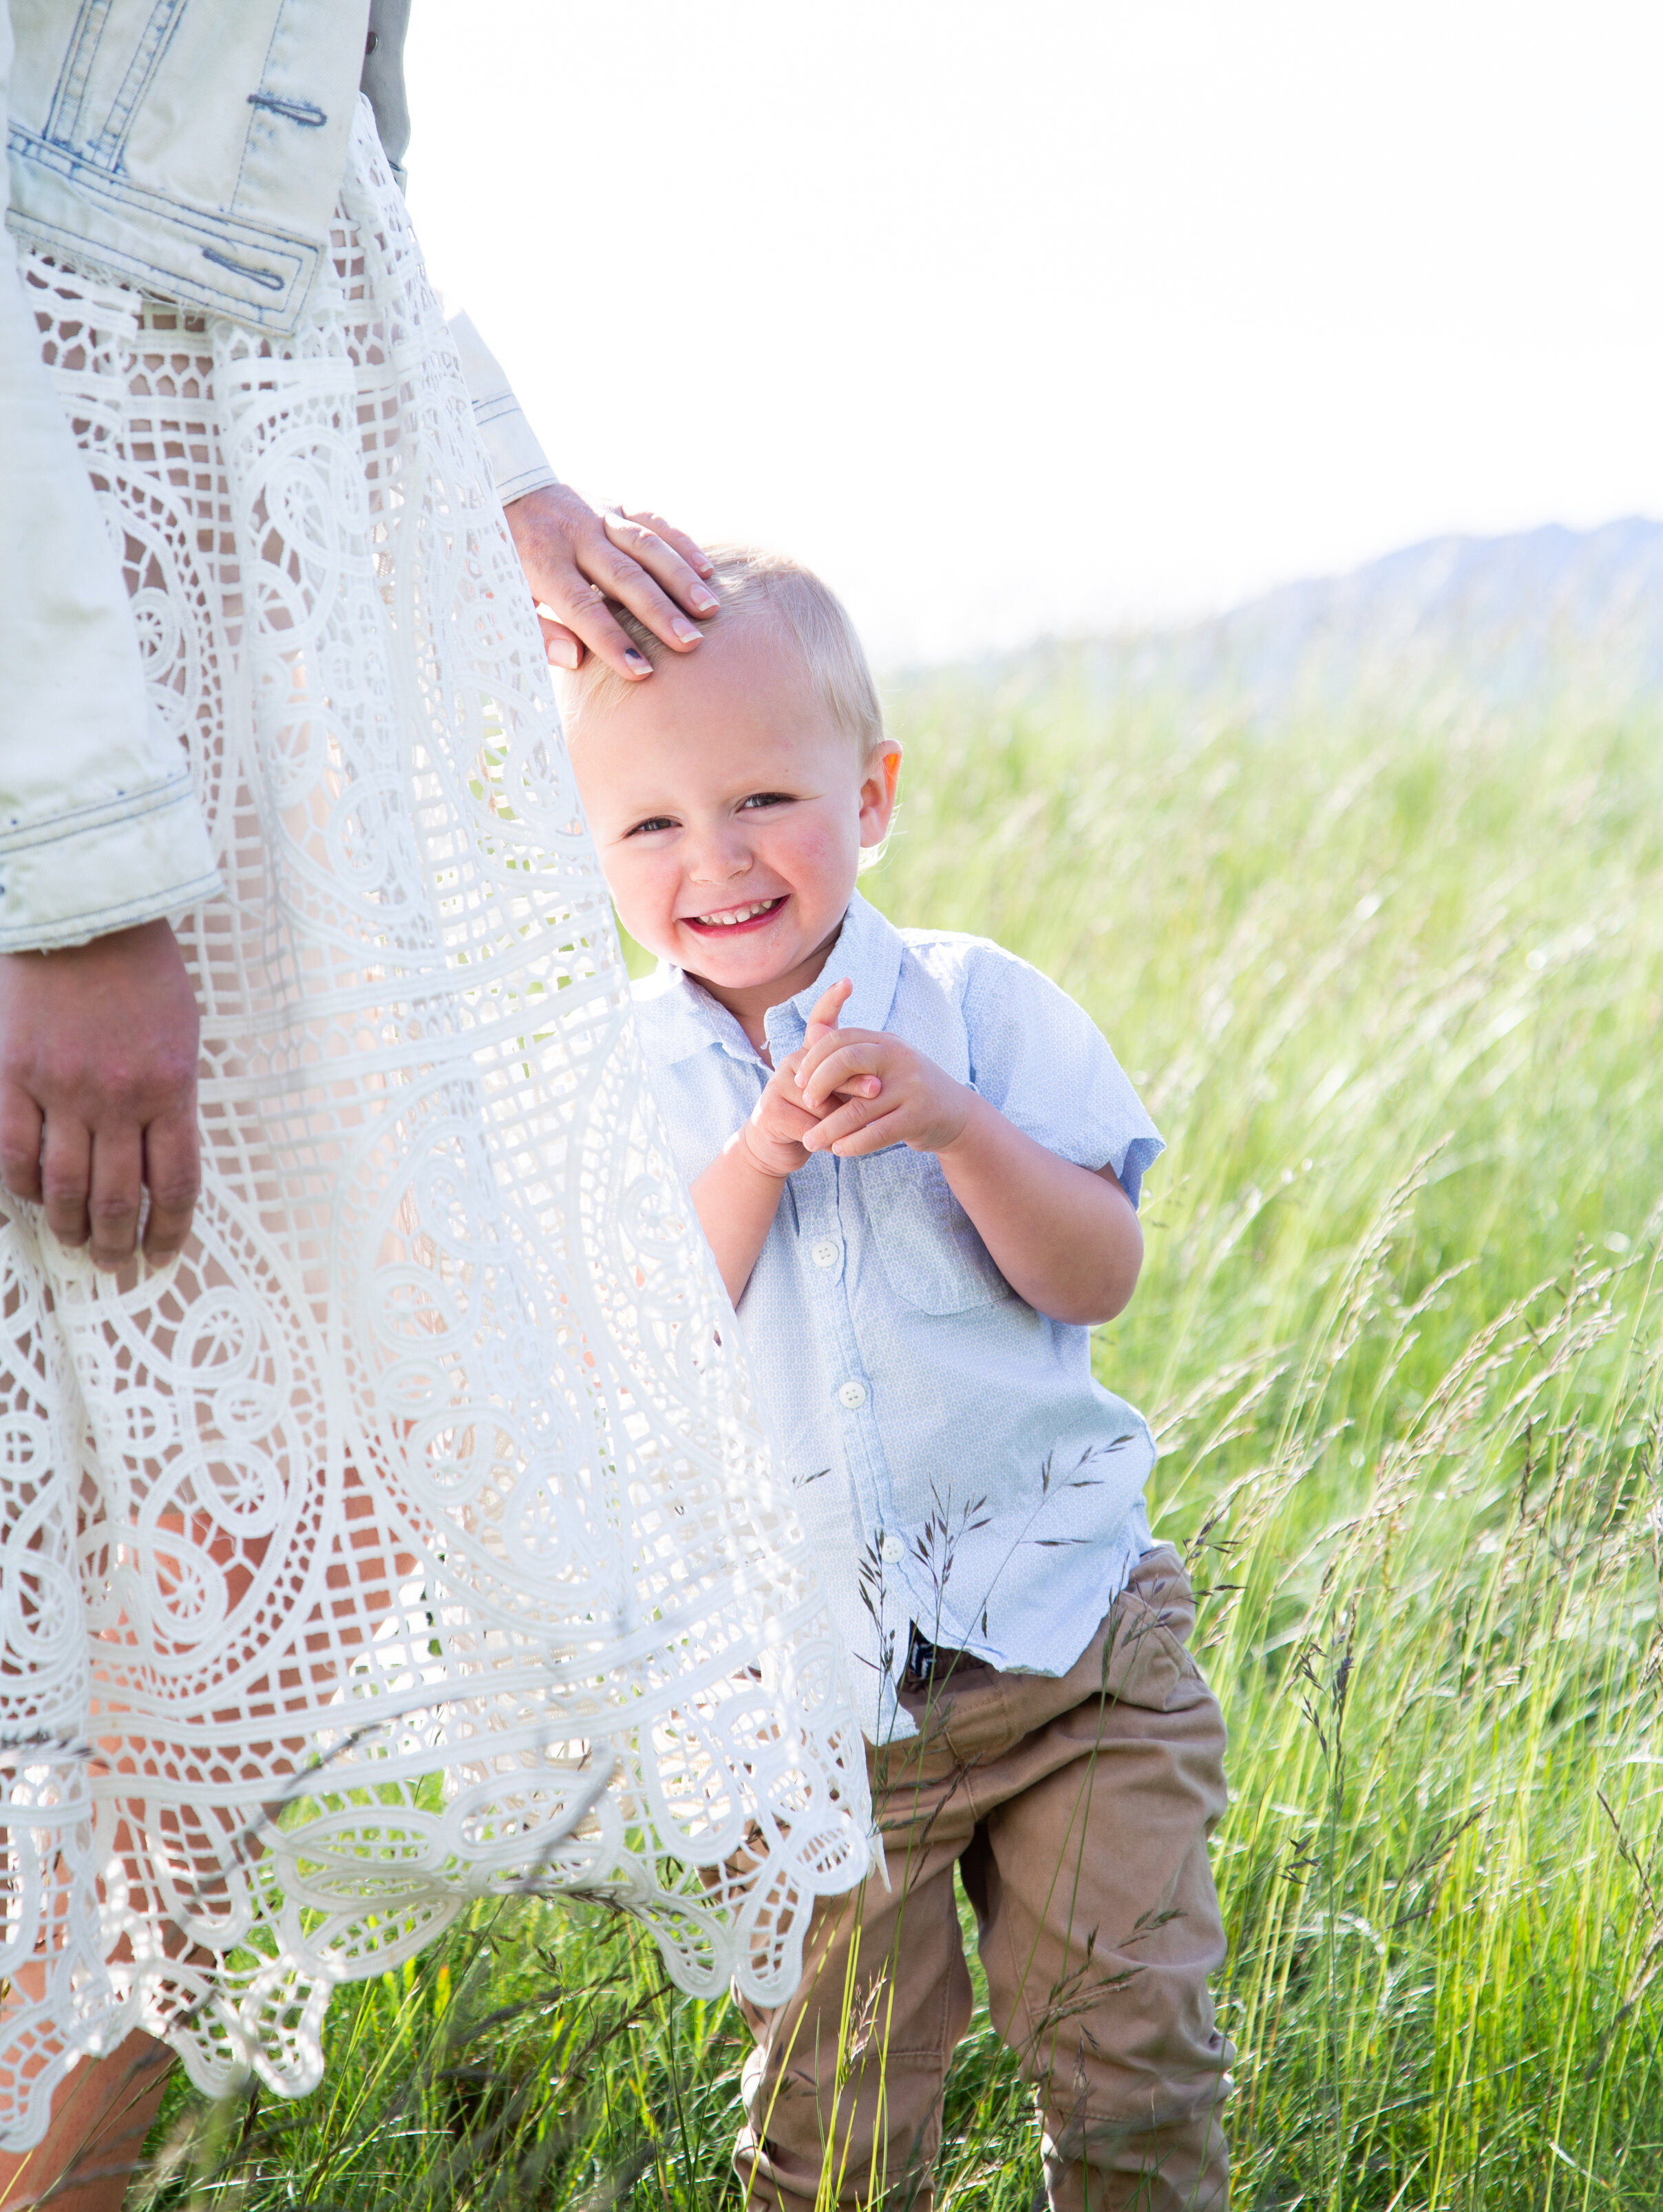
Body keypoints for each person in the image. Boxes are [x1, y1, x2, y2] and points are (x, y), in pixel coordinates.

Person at [0, 0, 866, 2197]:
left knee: (258, 1578)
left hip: (273, 607)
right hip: (58, 620)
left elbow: (317, 165)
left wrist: (502, 477)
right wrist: (67, 876)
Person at [562, 549, 1234, 2212]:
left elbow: (1100, 1272)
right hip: (795, 1705)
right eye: (647, 825)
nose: (711, 861)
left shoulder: (982, 1010)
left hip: (1070, 1644)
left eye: (763, 799)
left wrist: (955, 1124)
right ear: (590, 852)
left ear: (868, 798)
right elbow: (643, 1344)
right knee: (835, 2133)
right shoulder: (620, 1081)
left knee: (1133, 2063)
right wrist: (757, 1160)